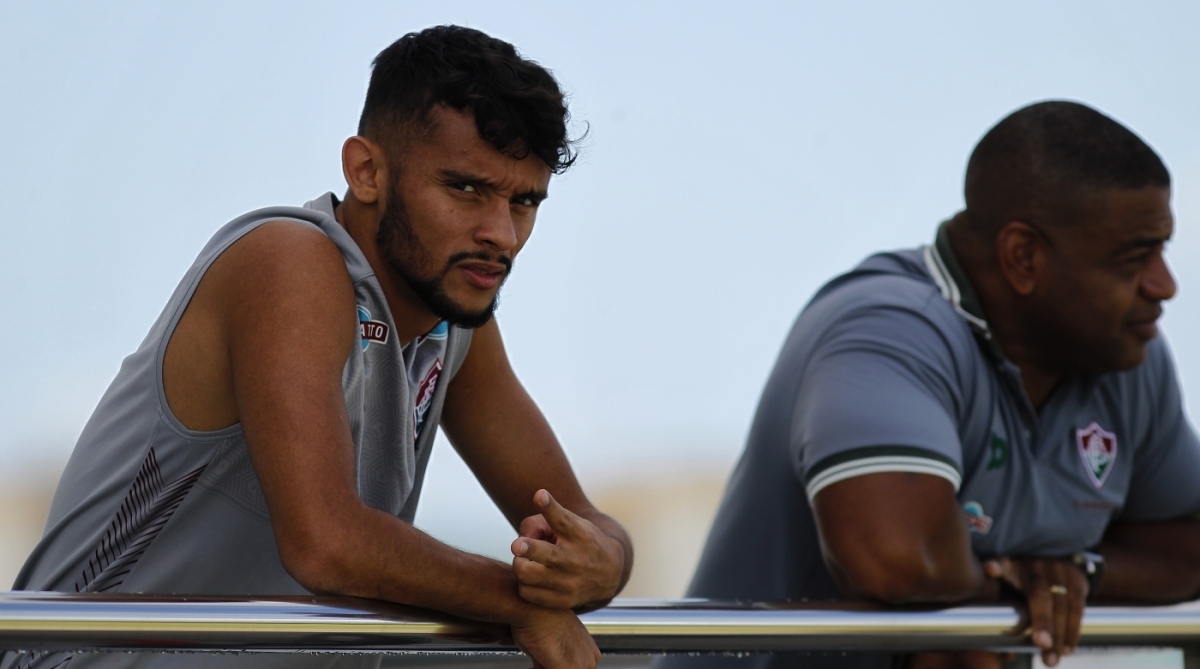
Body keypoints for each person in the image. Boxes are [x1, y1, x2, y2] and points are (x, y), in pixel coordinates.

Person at [3, 25, 631, 669]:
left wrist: (599, 567)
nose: (501, 232)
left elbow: (582, 519)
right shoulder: (289, 259)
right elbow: (326, 543)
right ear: (366, 171)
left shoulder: (454, 324)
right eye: (466, 188)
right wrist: (523, 601)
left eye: (524, 201)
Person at [662, 101, 1200, 669]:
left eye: (1163, 250)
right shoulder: (886, 326)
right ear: (1023, 257)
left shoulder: (1129, 352)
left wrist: (1078, 573)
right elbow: (898, 558)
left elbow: (1189, 549)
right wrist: (1020, 581)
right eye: (1134, 257)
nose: (1164, 286)